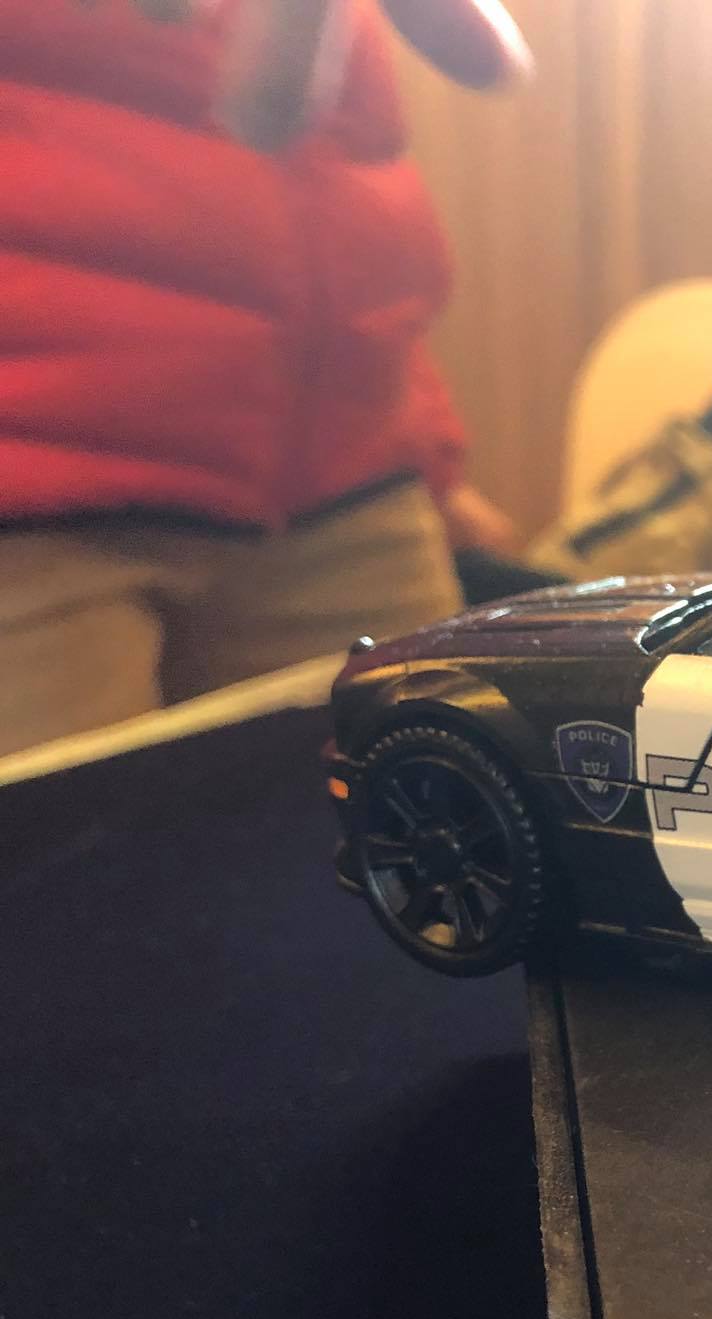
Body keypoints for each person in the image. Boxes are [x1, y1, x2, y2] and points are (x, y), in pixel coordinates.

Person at [0, 0, 527, 759]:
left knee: (425, 806)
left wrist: (421, 440)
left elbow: (338, 185)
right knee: (77, 837)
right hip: (36, 516)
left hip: (344, 490)